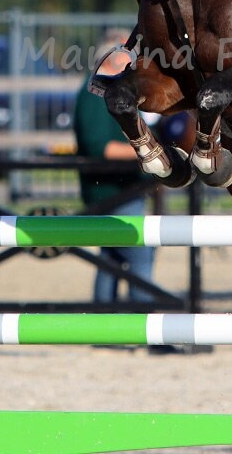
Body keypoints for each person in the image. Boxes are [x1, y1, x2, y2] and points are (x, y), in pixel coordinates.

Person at [73, 31, 156, 304]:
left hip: (118, 191)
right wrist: (146, 150)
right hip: (114, 193)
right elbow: (100, 147)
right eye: (127, 52)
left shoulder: (107, 91)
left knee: (111, 258)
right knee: (140, 255)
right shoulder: (96, 93)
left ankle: (104, 316)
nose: (134, 58)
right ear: (112, 57)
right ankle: (146, 318)